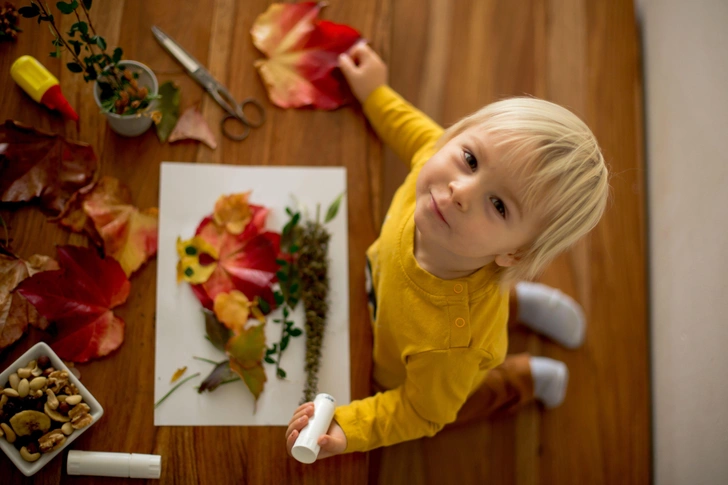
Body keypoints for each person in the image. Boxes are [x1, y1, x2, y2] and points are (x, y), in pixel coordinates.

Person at [285, 43, 609, 459]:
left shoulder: (453, 347)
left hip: (450, 360)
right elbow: (415, 131)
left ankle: (531, 378)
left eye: (498, 205)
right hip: (441, 294)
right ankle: (519, 305)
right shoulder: (438, 166)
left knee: (474, 393)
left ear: (515, 254)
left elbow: (421, 412)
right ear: (456, 140)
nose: (460, 190)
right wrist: (375, 93)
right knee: (488, 293)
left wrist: (350, 427)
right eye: (471, 159)